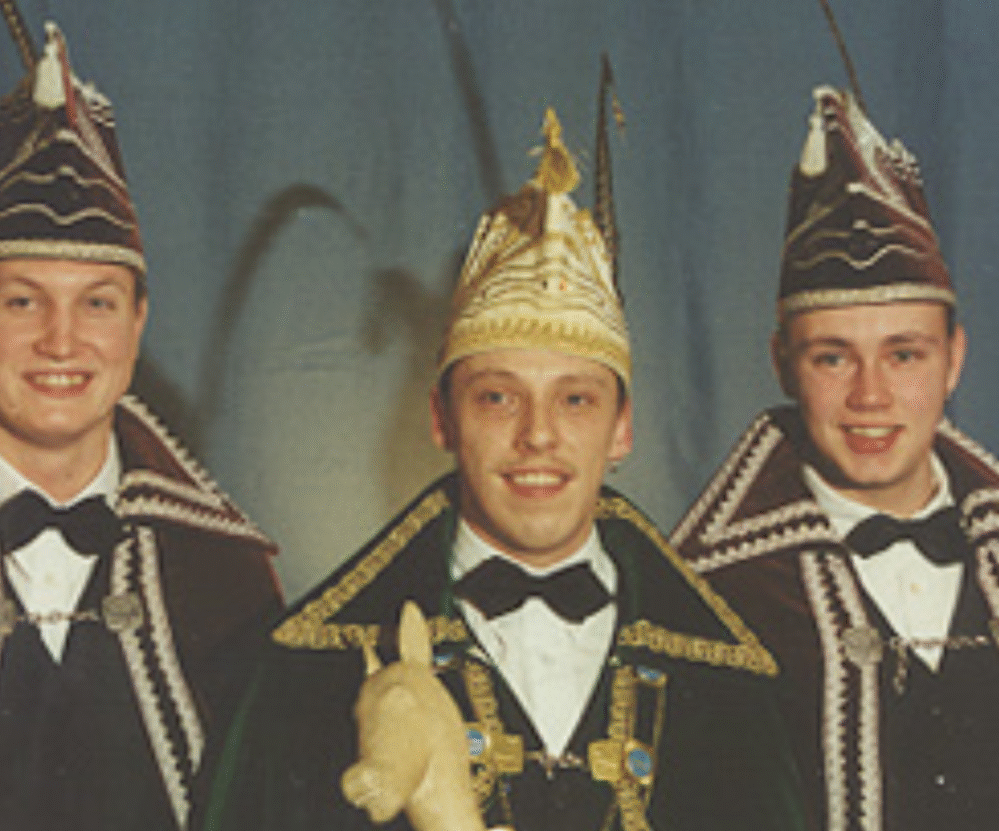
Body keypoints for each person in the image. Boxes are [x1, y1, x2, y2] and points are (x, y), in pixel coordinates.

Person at [204, 109, 805, 831]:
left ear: (622, 428)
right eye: (497, 397)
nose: (538, 435)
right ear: (441, 420)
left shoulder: (734, 687)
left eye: (575, 400)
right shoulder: (305, 676)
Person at [0, 19, 282, 831]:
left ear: (139, 322)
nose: (62, 341)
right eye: (22, 300)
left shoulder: (228, 576)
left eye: (98, 304)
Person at [672, 85, 999, 831]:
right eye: (832, 358)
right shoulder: (709, 598)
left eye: (904, 355)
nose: (870, 396)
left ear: (954, 360)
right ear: (783, 365)